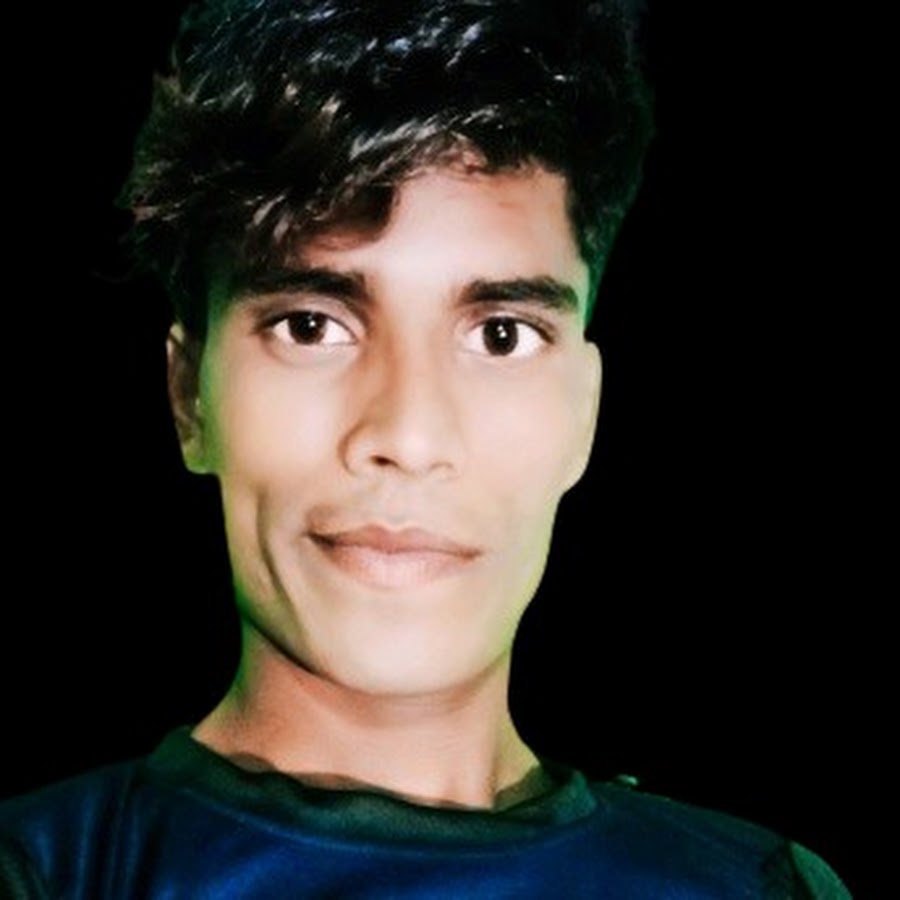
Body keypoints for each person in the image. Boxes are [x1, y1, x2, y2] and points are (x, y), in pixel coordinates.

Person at [0, 1, 850, 896]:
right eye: (310, 325)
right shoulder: (46, 873)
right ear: (189, 397)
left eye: (500, 335)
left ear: (585, 415)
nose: (408, 436)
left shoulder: (758, 886)